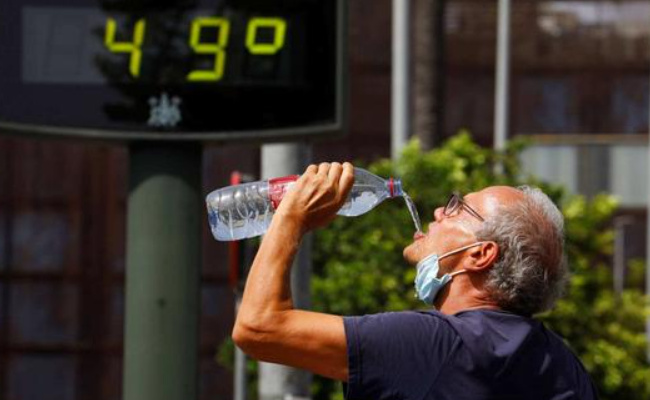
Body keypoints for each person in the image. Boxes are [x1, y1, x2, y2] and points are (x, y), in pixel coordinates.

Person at [232, 162, 598, 400]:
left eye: (457, 208)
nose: (439, 211)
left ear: (480, 254)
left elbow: (259, 327)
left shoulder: (436, 344)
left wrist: (291, 217)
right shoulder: (563, 365)